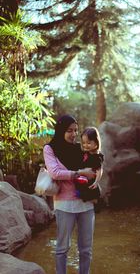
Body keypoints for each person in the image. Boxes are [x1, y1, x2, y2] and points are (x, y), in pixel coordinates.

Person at [43, 114, 101, 274]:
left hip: (86, 203)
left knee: (86, 249)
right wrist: (79, 173)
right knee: (62, 248)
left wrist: (96, 171)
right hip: (64, 204)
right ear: (61, 130)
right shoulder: (50, 149)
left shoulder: (80, 149)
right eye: (70, 130)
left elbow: (94, 166)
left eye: (76, 130)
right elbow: (55, 173)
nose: (74, 134)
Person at [74, 127, 103, 203]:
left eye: (89, 143)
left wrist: (96, 182)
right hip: (83, 179)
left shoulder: (97, 156)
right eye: (84, 143)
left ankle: (96, 201)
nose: (85, 145)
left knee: (91, 191)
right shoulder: (85, 153)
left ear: (96, 143)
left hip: (91, 181)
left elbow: (99, 170)